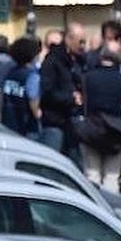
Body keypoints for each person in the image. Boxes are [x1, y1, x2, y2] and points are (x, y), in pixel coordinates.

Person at [79, 46, 121, 191]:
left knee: (92, 173)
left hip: (92, 128)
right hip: (115, 131)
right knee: (112, 175)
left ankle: (94, 207)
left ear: (101, 58)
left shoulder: (88, 77)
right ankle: (111, 208)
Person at [39, 23, 86, 163]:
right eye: (80, 41)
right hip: (55, 121)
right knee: (51, 163)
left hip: (72, 121)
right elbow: (47, 91)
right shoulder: (52, 61)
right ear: (69, 39)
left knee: (76, 163)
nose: (83, 46)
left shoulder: (79, 61)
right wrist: (70, 98)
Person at [0, 36, 42, 141]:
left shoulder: (10, 73)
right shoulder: (32, 76)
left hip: (9, 124)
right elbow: (34, 104)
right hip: (27, 128)